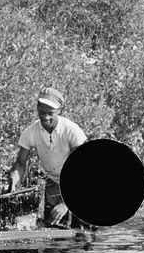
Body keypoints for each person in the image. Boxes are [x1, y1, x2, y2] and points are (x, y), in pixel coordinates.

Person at [6, 86, 87, 227]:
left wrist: (66, 203)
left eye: (50, 113)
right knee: (53, 228)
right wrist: (13, 183)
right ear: (37, 108)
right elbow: (20, 163)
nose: (45, 117)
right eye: (42, 112)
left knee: (83, 231)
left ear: (60, 111)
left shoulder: (72, 131)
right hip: (53, 182)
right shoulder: (31, 132)